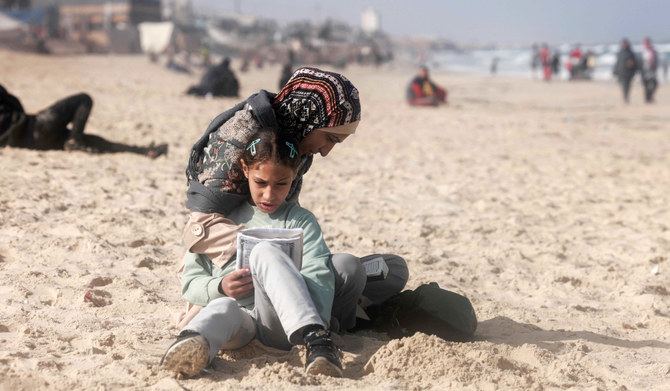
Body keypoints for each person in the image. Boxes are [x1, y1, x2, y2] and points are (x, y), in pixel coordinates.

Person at [180, 67, 408, 335]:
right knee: (335, 274)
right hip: (235, 279)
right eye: (330, 138)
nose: (326, 151)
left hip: (288, 265)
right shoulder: (242, 138)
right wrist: (275, 258)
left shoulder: (296, 145)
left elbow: (288, 221)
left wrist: (307, 257)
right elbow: (199, 229)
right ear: (310, 119)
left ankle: (339, 306)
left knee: (389, 269)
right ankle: (341, 312)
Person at [162, 131, 348, 377]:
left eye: (282, 184)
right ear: (245, 169)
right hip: (243, 326)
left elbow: (318, 275)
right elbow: (190, 284)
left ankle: (318, 340)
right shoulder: (217, 218)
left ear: (295, 175)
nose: (269, 195)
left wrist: (318, 321)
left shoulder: (300, 220)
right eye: (261, 183)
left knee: (264, 251)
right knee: (224, 308)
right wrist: (221, 286)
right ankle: (195, 344)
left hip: (285, 323)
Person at [0, 85, 168, 157]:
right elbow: (15, 104)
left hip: (30, 144)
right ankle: (75, 140)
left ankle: (144, 151)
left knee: (92, 142)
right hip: (38, 127)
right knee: (84, 99)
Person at [613, 38, 638, 104]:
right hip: (621, 72)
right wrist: (615, 71)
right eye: (623, 44)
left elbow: (635, 63)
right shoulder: (620, 53)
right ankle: (625, 97)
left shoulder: (631, 53)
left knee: (627, 86)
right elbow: (617, 63)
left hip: (629, 73)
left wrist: (634, 69)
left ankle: (626, 97)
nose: (624, 45)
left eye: (625, 44)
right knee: (623, 85)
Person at [640, 37, 658, 103]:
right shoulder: (643, 51)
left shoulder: (653, 51)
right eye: (645, 43)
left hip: (652, 71)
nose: (646, 44)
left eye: (647, 43)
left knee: (654, 84)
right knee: (645, 85)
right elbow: (641, 62)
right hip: (644, 71)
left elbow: (655, 61)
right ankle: (647, 98)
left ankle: (650, 97)